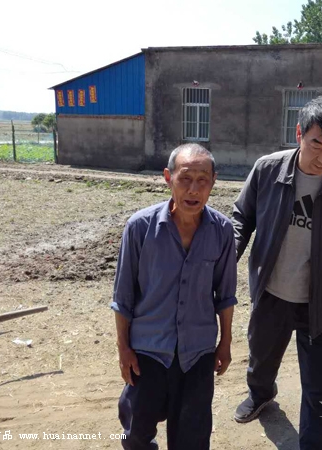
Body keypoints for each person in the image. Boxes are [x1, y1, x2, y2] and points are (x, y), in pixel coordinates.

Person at [232, 96, 322, 449]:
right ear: (299, 133)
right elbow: (241, 219)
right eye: (316, 144)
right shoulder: (268, 170)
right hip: (271, 292)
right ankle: (261, 394)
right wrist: (222, 264)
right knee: (261, 358)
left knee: (319, 385)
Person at [111, 143, 237, 450]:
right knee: (136, 433)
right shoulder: (140, 228)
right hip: (149, 349)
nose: (194, 190)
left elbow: (225, 294)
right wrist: (123, 348)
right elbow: (123, 296)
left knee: (192, 437)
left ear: (213, 182)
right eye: (185, 179)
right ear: (168, 178)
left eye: (202, 180)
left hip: (198, 351)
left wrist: (225, 342)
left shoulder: (222, 231)